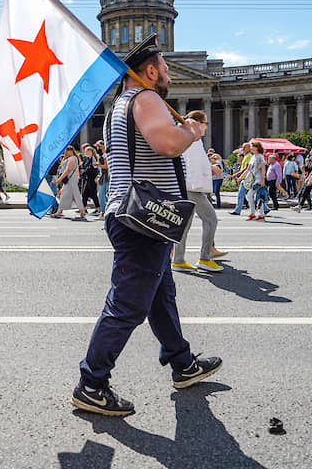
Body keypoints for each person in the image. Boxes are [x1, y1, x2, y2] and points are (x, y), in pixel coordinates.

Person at [73, 34, 221, 417]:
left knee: (160, 296)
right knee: (126, 305)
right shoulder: (146, 98)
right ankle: (92, 383)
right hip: (143, 218)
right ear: (150, 71)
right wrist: (192, 132)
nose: (169, 74)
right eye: (165, 68)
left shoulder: (120, 105)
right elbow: (167, 144)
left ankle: (182, 363)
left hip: (138, 215)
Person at [171, 111, 223, 273]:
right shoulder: (193, 138)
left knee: (184, 224)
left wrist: (210, 167)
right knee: (211, 219)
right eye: (205, 123)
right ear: (198, 123)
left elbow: (194, 162)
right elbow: (192, 164)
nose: (206, 127)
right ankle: (205, 259)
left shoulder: (188, 137)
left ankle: (178, 260)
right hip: (192, 187)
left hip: (187, 186)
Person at [50, 146, 86, 219]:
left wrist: (59, 180)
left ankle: (59, 212)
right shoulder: (68, 158)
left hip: (71, 179)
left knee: (70, 195)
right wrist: (64, 158)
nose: (65, 153)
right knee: (74, 196)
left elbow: (67, 170)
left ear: (71, 151)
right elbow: (62, 168)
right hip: (70, 179)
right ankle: (82, 212)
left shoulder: (72, 158)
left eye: (66, 151)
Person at [245, 141, 267, 221]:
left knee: (249, 195)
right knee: (257, 197)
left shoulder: (260, 157)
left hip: (258, 179)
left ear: (257, 147)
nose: (251, 148)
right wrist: (240, 177)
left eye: (252, 147)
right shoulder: (252, 157)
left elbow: (263, 169)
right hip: (252, 179)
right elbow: (248, 169)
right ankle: (260, 214)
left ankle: (253, 213)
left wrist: (262, 180)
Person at [230, 142, 252, 214]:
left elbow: (246, 168)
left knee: (241, 195)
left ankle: (237, 210)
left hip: (246, 178)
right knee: (250, 194)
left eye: (244, 147)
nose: (243, 149)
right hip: (245, 178)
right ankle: (265, 208)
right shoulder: (246, 156)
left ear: (248, 148)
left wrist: (237, 175)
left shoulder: (249, 156)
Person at [79, 145, 101, 214]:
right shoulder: (87, 159)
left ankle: (98, 208)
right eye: (86, 151)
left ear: (91, 152)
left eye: (87, 151)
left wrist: (84, 172)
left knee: (93, 193)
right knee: (85, 193)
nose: (86, 152)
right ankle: (84, 208)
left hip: (91, 178)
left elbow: (91, 168)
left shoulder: (93, 158)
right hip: (87, 178)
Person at [95, 140, 109, 220]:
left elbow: (106, 166)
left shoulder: (105, 155)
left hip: (105, 176)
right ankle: (105, 210)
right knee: (103, 194)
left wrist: (98, 164)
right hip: (103, 175)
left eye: (99, 146)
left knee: (101, 194)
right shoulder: (103, 154)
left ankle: (103, 212)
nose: (98, 148)